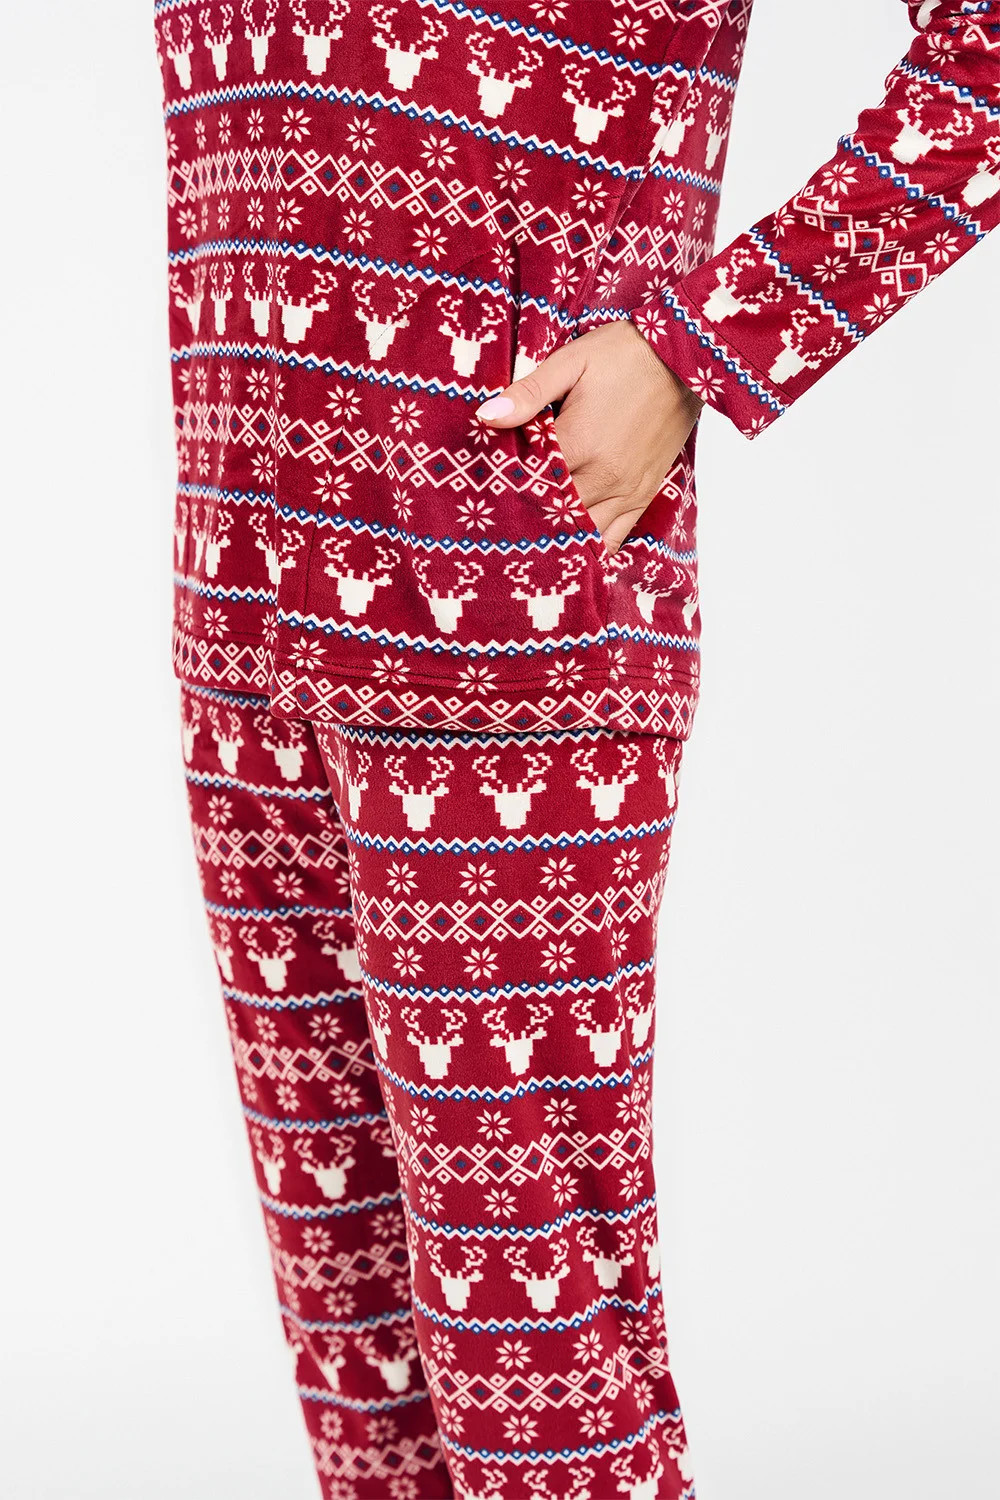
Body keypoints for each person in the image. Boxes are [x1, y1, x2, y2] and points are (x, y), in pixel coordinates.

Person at [152, 3, 999, 1496]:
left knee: (528, 1331)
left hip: (504, 594)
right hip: (240, 581)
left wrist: (707, 344)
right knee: (358, 1333)